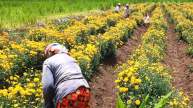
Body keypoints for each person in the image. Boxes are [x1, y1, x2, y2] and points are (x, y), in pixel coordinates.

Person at [42, 43, 90, 108]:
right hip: (85, 91)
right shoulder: (72, 59)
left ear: (50, 52)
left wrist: (48, 104)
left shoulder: (48, 62)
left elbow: (48, 86)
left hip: (68, 94)